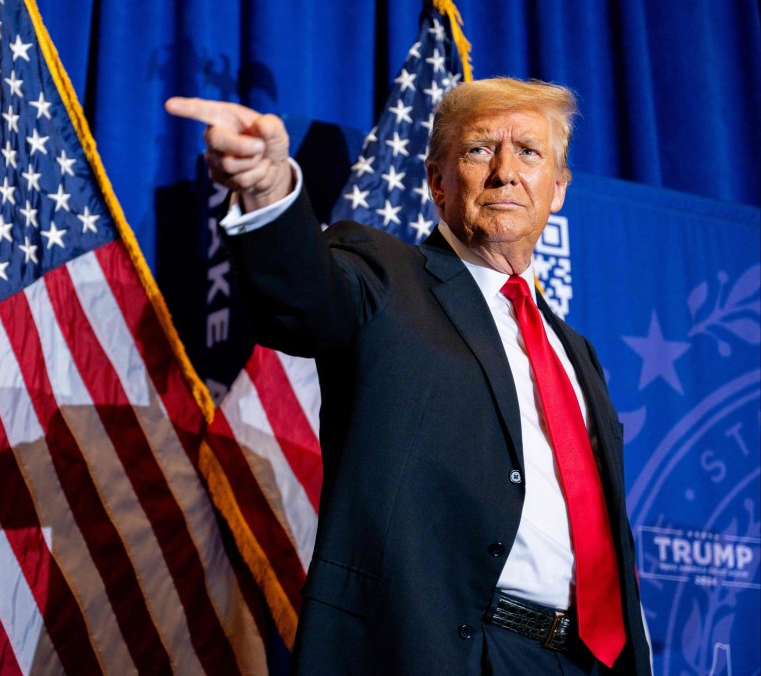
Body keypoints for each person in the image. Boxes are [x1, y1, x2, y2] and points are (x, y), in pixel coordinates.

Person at [166, 78, 652, 675]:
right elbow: (302, 300)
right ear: (437, 182)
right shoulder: (385, 275)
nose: (505, 172)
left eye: (529, 151)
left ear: (557, 189)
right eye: (479, 150)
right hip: (444, 652)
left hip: (586, 661)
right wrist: (268, 191)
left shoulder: (576, 352)